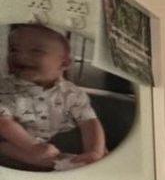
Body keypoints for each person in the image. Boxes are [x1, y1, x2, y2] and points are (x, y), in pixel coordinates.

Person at [0, 23, 107, 170]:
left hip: (58, 137)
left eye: (36, 51)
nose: (21, 56)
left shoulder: (72, 93)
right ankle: (62, 164)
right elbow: (4, 123)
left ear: (64, 63)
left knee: (99, 148)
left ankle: (78, 161)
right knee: (6, 147)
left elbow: (89, 122)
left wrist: (95, 152)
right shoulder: (6, 88)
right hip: (18, 141)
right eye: (14, 49)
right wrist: (33, 147)